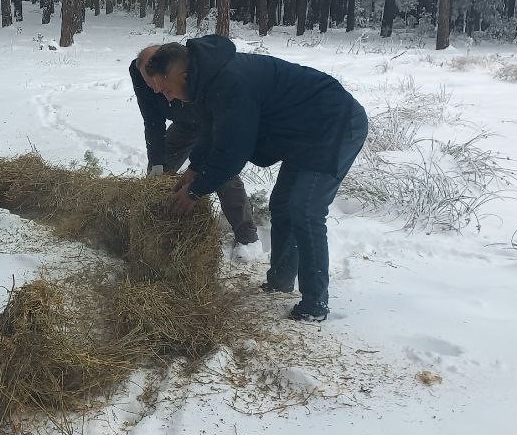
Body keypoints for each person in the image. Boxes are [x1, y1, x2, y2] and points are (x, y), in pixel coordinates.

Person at [142, 36, 368, 322]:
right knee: (283, 204)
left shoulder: (229, 81)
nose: (169, 99)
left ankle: (314, 305)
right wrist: (195, 167)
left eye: (169, 90)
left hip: (335, 125)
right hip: (304, 135)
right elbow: (214, 129)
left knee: (305, 208)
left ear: (183, 75)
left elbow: (234, 148)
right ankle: (280, 282)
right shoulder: (207, 80)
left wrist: (195, 192)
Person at [130, 45, 259, 246]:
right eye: (149, 84)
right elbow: (152, 121)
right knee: (158, 172)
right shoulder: (139, 72)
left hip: (212, 122)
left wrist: (198, 177)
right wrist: (156, 164)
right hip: (183, 125)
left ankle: (246, 235)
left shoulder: (189, 66)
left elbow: (223, 145)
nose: (156, 91)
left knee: (220, 173)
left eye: (157, 83)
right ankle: (154, 228)